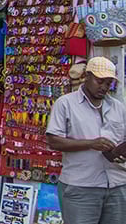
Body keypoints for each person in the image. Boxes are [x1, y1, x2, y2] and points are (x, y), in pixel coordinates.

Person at [46, 56, 126, 223]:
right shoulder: (65, 104)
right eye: (100, 81)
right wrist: (91, 144)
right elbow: (53, 141)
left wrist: (121, 152)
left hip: (117, 185)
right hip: (81, 187)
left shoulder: (118, 107)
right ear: (86, 76)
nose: (104, 87)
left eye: (108, 83)